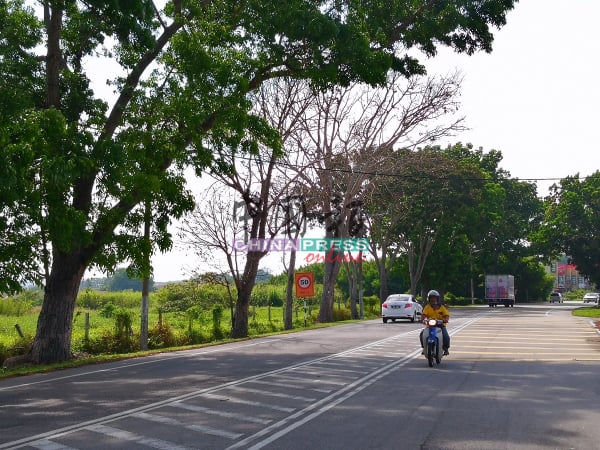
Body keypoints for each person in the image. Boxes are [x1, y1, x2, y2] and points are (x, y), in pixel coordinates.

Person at [421, 289, 450, 355]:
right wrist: (421, 319)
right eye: (431, 298)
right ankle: (424, 348)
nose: (433, 300)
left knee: (446, 336)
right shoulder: (427, 307)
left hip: (441, 325)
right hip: (430, 325)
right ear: (429, 299)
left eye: (434, 298)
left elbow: (446, 315)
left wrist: (445, 319)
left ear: (437, 299)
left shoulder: (442, 307)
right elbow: (423, 315)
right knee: (422, 334)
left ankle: (446, 349)